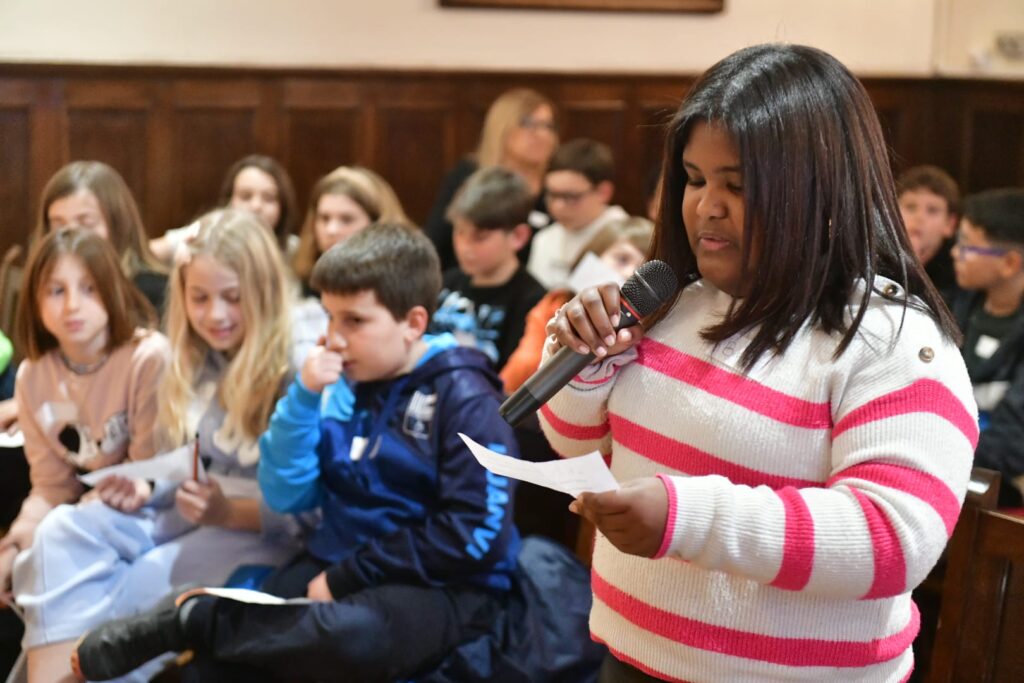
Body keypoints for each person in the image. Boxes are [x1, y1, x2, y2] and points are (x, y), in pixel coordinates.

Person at [541, 44, 976, 682]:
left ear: (821, 190)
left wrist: (686, 519)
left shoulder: (892, 342)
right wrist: (584, 364)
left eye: (737, 186)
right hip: (634, 658)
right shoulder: (672, 302)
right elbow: (576, 442)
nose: (707, 207)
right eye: (694, 179)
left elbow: (890, 540)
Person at [72, 223, 522, 683]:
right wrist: (304, 398)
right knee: (210, 673)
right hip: (337, 555)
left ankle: (194, 620)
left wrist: (348, 576)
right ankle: (200, 625)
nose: (334, 338)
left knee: (358, 637)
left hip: (439, 585)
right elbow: (288, 496)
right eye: (329, 317)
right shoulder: (348, 382)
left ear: (413, 324)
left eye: (355, 321)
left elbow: (472, 533)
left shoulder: (467, 398)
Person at [13, 210, 302, 682]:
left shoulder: (297, 369)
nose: (216, 315)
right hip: (186, 504)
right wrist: (144, 485)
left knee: (131, 596)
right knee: (59, 535)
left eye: (233, 297)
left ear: (263, 292)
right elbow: (175, 464)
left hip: (254, 524)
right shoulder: (191, 358)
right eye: (199, 298)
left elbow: (310, 513)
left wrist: (227, 513)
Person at [0, 228, 167, 625]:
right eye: (56, 291)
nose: (73, 306)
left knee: (51, 565)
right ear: (36, 302)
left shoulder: (147, 358)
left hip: (146, 514)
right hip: (80, 517)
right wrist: (14, 544)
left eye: (89, 289)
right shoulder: (33, 377)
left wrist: (53, 531)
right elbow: (52, 486)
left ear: (111, 291)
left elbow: (147, 474)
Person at [501, 216, 652, 394]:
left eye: (640, 270)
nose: (629, 273)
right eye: (622, 259)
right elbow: (514, 378)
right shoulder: (553, 303)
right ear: (591, 258)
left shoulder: (639, 334)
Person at [290, 166, 413, 368]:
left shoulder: (400, 283)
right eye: (324, 218)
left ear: (377, 224)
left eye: (346, 219)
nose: (331, 230)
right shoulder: (303, 280)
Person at [424, 88, 558, 272]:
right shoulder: (468, 175)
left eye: (548, 126)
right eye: (529, 124)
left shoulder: (556, 184)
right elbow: (436, 241)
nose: (542, 134)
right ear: (503, 127)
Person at [949, 188, 1024, 507]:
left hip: (1000, 494)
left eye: (967, 245)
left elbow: (1014, 444)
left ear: (1009, 263)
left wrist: (930, 439)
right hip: (950, 476)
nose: (955, 253)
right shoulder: (951, 309)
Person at [431, 167, 546, 372]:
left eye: (479, 237)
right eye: (459, 232)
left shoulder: (533, 301)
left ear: (518, 236)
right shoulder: (445, 282)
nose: (465, 247)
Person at [35, 161, 168, 312]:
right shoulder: (45, 290)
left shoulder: (154, 291)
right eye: (59, 227)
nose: (72, 239)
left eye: (86, 224)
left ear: (117, 225)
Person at [150, 155, 299, 264]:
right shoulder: (202, 236)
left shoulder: (295, 251)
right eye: (245, 196)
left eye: (268, 198)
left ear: (283, 206)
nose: (256, 206)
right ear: (229, 202)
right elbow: (144, 254)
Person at [527, 139, 629, 290]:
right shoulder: (544, 239)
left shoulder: (627, 240)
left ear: (603, 192)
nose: (558, 206)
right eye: (552, 195)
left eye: (570, 197)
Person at [896, 165, 961, 303]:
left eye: (932, 210)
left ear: (950, 224)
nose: (920, 217)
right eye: (910, 207)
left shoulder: (958, 271)